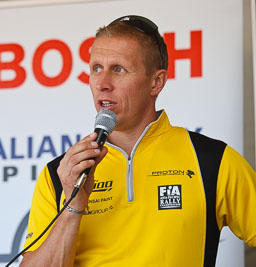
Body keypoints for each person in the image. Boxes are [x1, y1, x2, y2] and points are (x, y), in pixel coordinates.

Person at [20, 15, 256, 267]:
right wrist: (73, 207)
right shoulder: (62, 173)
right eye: (96, 68)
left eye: (118, 69)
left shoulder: (212, 160)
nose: (102, 83)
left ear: (157, 82)